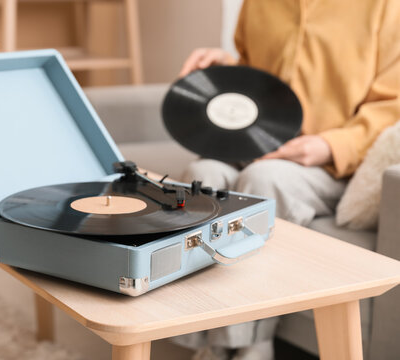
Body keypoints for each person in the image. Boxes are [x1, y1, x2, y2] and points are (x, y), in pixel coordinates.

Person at [171, 0, 400, 359]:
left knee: (265, 182)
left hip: (328, 164)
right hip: (255, 145)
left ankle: (248, 346)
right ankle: (211, 339)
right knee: (202, 176)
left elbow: (392, 103)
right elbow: (255, 77)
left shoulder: (386, 8)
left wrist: (328, 145)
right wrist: (227, 69)